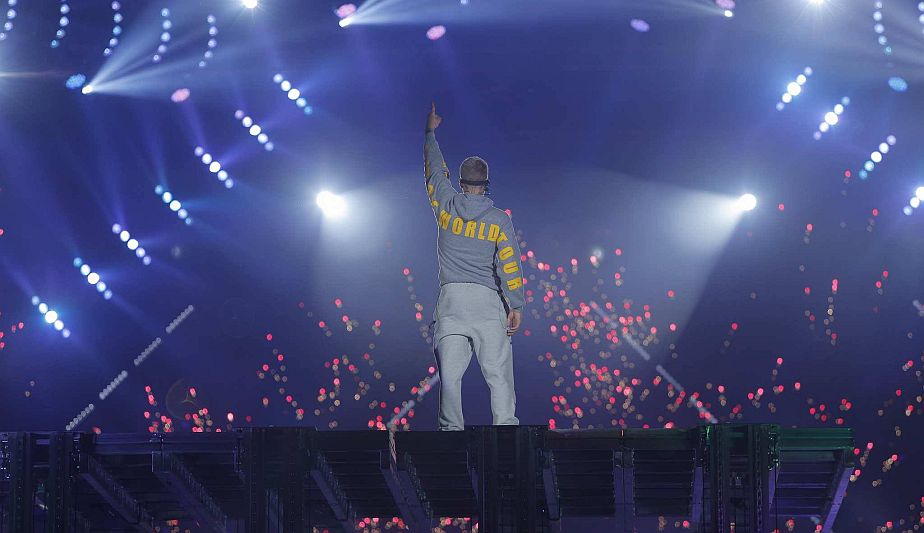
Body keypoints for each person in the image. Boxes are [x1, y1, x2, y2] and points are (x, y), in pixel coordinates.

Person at [423, 102, 525, 431]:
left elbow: (434, 172)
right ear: (486, 185)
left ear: (462, 182)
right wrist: (516, 304)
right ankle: (507, 433)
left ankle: (450, 437)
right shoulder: (498, 220)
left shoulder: (446, 207)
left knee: (450, 378)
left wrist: (430, 134)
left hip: (451, 302)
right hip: (487, 303)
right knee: (499, 377)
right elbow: (509, 263)